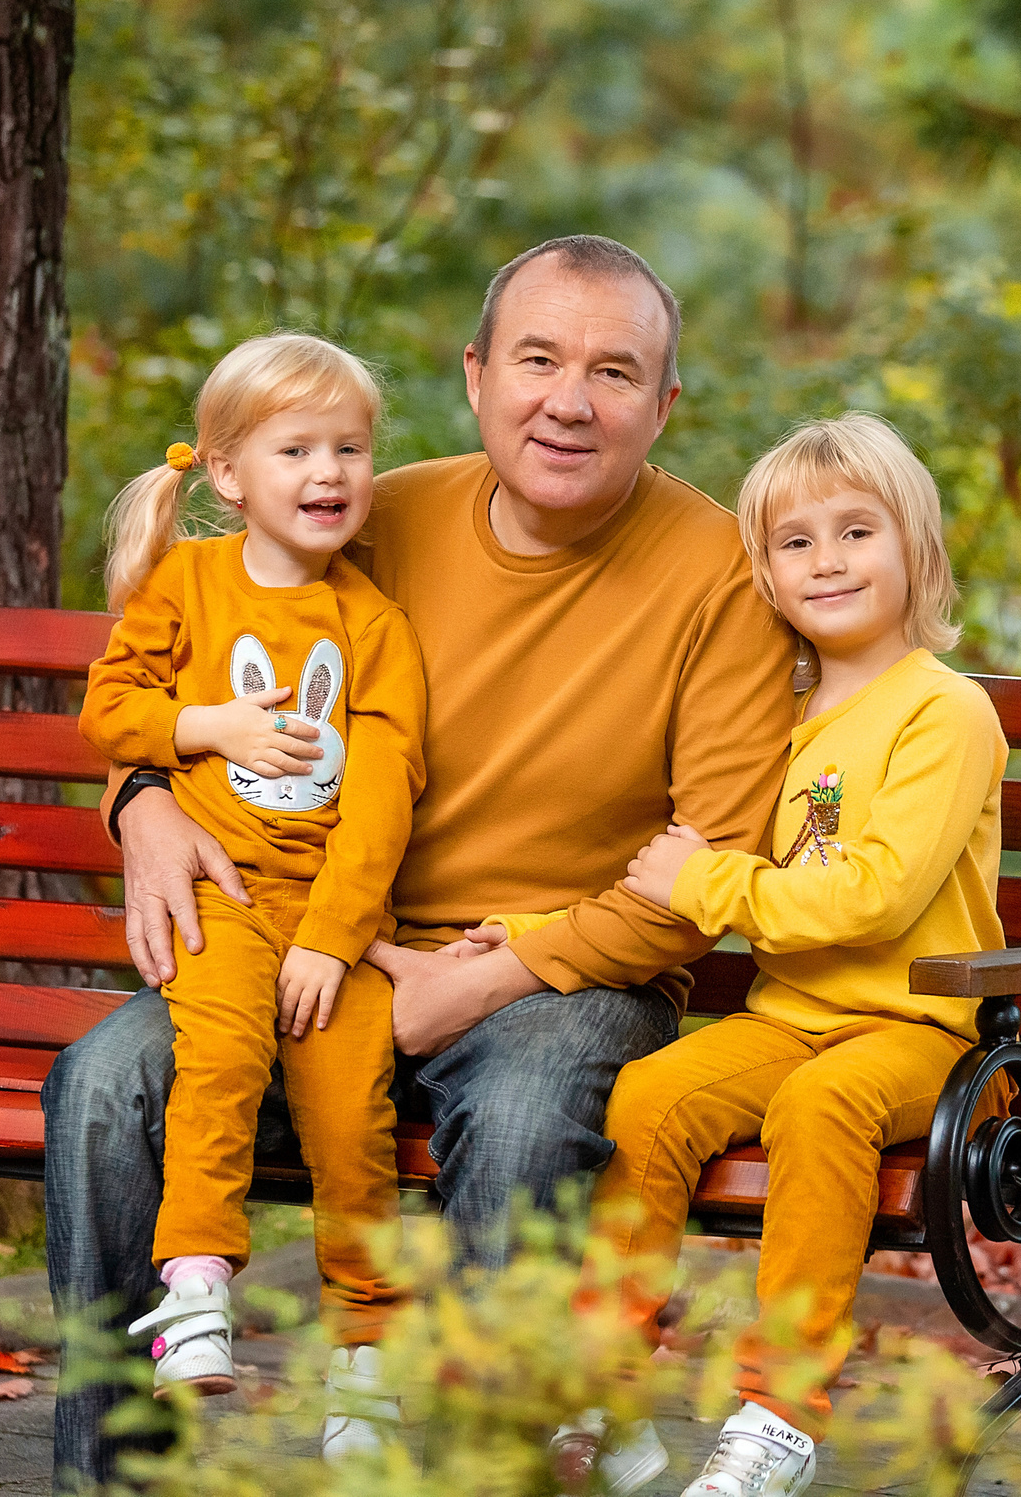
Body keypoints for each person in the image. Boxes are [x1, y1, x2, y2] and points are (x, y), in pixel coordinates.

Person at [45, 236, 800, 1490]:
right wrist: (138, 806)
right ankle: (109, 1478)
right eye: (537, 360)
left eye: (613, 373)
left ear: (664, 405)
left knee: (516, 1119)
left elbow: (702, 877)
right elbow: (178, 683)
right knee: (103, 1084)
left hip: (558, 974)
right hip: (310, 939)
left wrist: (481, 980)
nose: (568, 402)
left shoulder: (720, 575)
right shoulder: (371, 513)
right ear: (475, 374)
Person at [554, 413, 1007, 1497]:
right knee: (650, 1096)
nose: (827, 560)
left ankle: (778, 1415)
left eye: (856, 531)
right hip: (788, 1022)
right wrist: (529, 934)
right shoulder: (785, 716)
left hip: (927, 1037)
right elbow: (674, 867)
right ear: (766, 573)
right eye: (795, 542)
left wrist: (704, 883)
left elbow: (876, 897)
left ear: (914, 544)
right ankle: (604, 1388)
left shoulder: (945, 710)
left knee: (822, 1105)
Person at [76, 334, 427, 1459]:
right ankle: (193, 1287)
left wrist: (333, 938)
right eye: (297, 450)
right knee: (220, 1056)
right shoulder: (186, 584)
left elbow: (382, 801)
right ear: (226, 472)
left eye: (350, 449)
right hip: (216, 893)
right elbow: (110, 708)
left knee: (353, 1122)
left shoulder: (373, 626)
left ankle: (366, 1358)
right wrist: (208, 726)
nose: (330, 472)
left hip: (329, 924)